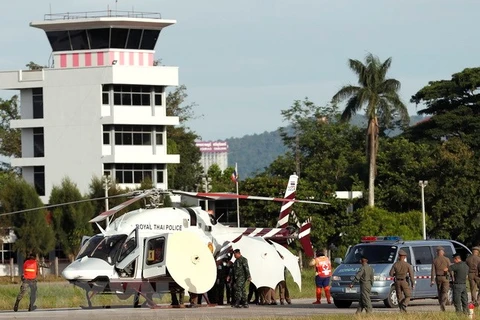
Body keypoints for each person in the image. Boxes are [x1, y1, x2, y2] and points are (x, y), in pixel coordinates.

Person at [430, 246, 451, 311]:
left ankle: (441, 303)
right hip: (445, 277)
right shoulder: (447, 259)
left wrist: (432, 280)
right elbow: (450, 269)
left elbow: (433, 270)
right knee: (445, 291)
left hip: (438, 277)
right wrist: (452, 277)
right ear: (442, 252)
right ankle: (443, 303)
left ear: (437, 252)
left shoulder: (435, 260)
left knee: (439, 291)